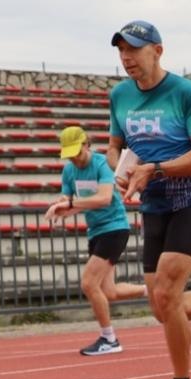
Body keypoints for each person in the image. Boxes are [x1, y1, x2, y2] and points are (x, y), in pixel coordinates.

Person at [106, 20, 191, 379]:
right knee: (162, 306)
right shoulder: (120, 95)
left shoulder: (186, 93)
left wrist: (154, 169)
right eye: (121, 50)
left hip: (190, 201)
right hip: (153, 205)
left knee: (167, 293)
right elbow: (114, 147)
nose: (127, 58)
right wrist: (122, 170)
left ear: (157, 51)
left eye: (135, 49)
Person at [43, 125, 147, 356]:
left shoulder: (100, 164)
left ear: (86, 145)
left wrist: (68, 206)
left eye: (77, 153)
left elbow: (103, 198)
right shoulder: (69, 171)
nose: (75, 160)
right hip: (96, 231)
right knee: (108, 292)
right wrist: (59, 209)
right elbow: (68, 200)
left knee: (88, 283)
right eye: (69, 156)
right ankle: (151, 289)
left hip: (115, 228)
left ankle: (109, 338)